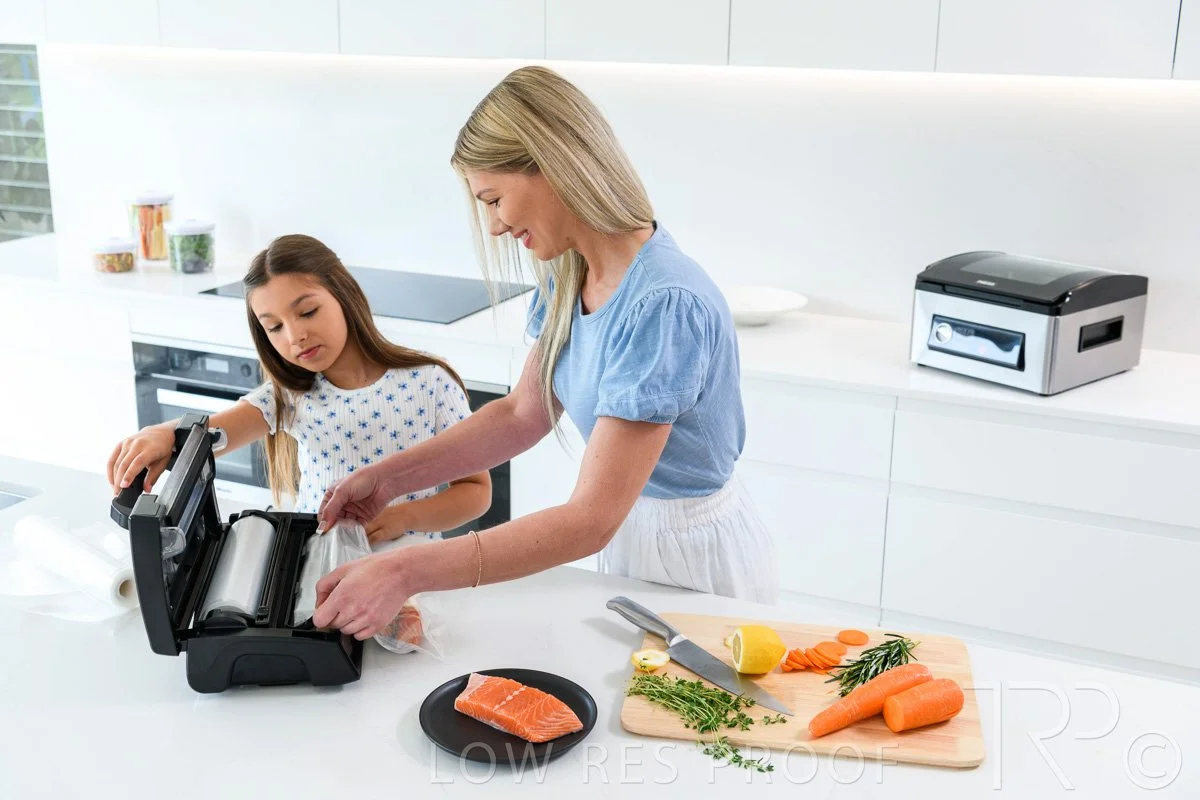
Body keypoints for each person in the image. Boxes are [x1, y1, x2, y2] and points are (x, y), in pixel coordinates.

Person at [312, 65, 777, 640]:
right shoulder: (568, 273)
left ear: (554, 166)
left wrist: (406, 570)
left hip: (693, 555)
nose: (496, 224)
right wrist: (386, 479)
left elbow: (588, 521)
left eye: (494, 198)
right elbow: (520, 415)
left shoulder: (663, 303)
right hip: (637, 535)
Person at [106, 234, 491, 550]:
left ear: (344, 295)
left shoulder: (430, 382)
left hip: (411, 568)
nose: (295, 336)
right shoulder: (287, 395)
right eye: (274, 327)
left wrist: (403, 518)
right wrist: (162, 435)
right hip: (317, 563)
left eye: (307, 312)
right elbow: (211, 434)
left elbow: (475, 492)